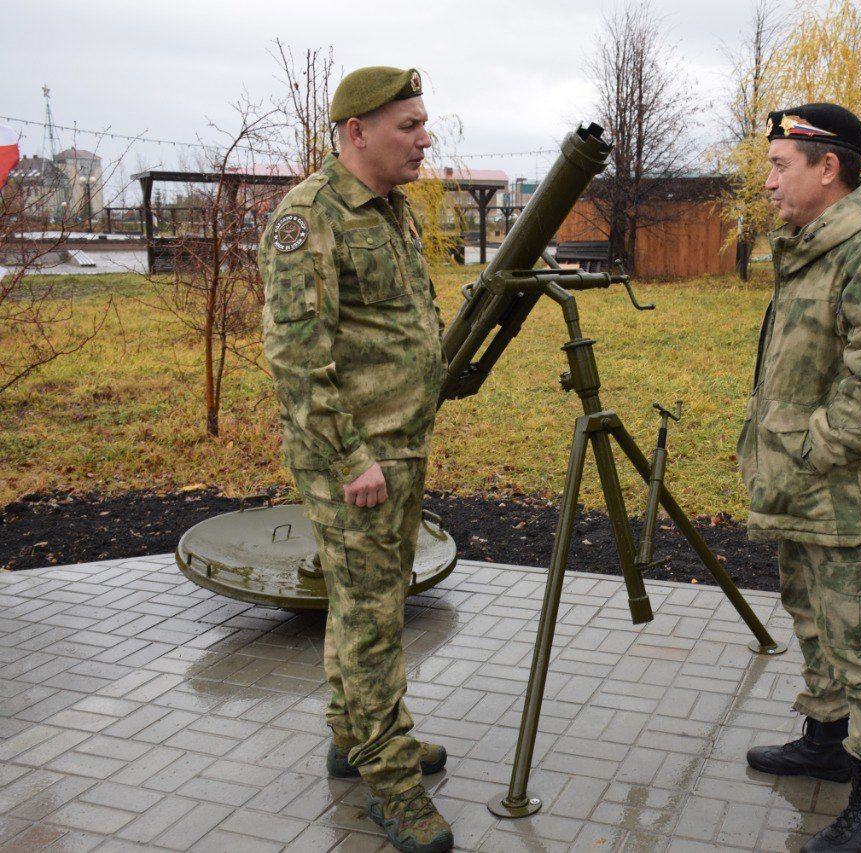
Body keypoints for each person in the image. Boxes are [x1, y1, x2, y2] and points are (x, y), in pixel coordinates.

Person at [259, 66, 451, 853]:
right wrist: (351, 460)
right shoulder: (309, 218)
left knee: (368, 599)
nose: (424, 137)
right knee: (373, 618)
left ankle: (354, 737)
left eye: (422, 121)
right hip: (357, 458)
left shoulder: (391, 210)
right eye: (408, 125)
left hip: (397, 446)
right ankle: (393, 784)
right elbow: (296, 358)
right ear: (356, 132)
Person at [737, 102, 861, 853]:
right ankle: (826, 737)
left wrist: (812, 450)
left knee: (858, 638)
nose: (768, 183)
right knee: (811, 611)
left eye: (780, 167)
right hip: (798, 483)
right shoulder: (813, 244)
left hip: (839, 489)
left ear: (829, 168)